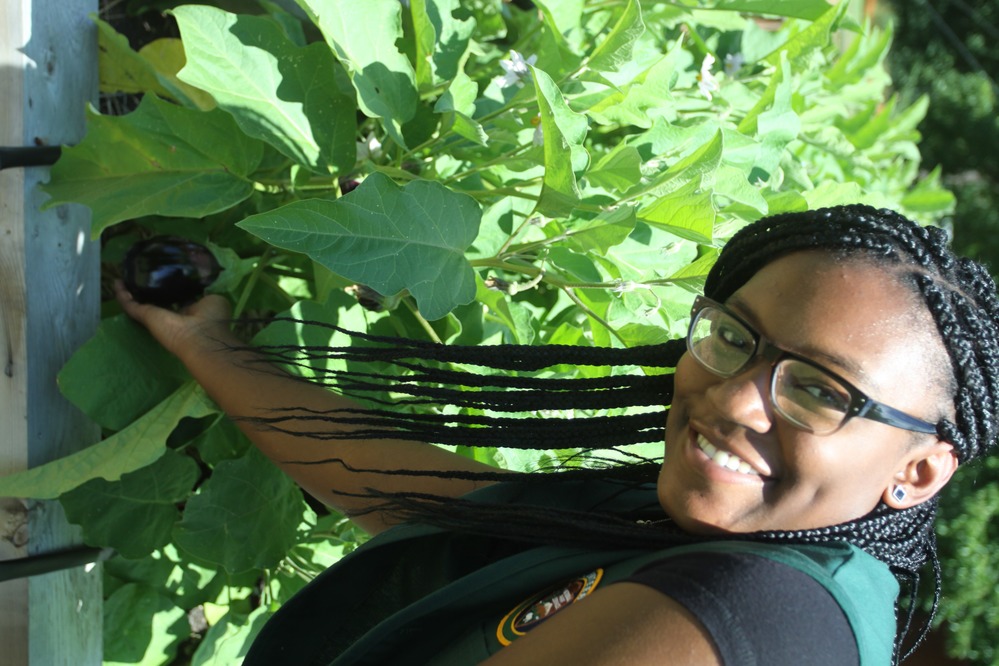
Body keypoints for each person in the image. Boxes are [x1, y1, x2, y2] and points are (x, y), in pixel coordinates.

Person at [115, 204, 999, 665]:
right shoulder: (735, 543)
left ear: (917, 471)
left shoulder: (757, 621)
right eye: (732, 337)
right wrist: (207, 343)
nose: (736, 400)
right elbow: (423, 495)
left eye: (817, 390)